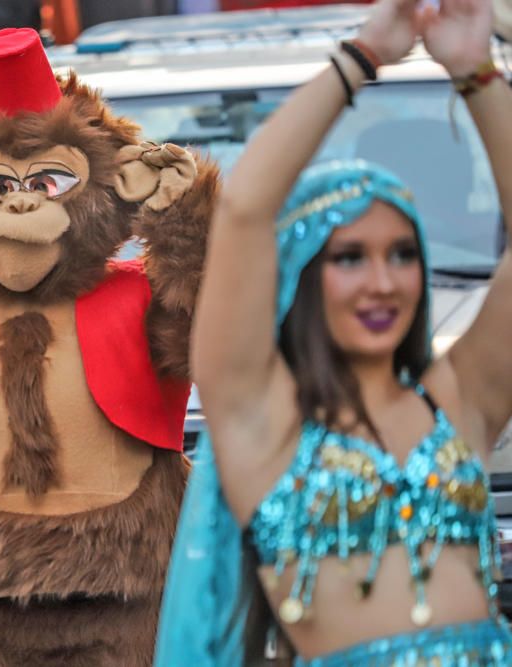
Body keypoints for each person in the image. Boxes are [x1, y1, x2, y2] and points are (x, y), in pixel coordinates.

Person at [155, 0, 512, 663]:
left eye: (402, 254)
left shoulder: (457, 399)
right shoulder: (259, 420)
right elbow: (243, 209)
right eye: (351, 257)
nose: (383, 281)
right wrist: (361, 58)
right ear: (304, 273)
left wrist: (476, 74)